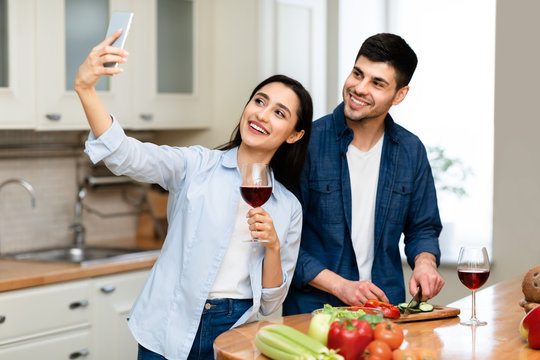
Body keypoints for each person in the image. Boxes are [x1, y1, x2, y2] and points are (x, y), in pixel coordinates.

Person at [74, 29, 312, 360]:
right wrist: (86, 89)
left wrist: (272, 246)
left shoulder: (287, 206)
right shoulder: (196, 165)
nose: (261, 114)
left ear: (294, 135)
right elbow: (125, 155)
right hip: (168, 321)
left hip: (236, 327)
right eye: (259, 101)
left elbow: (271, 301)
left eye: (279, 113)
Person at [282, 33, 445, 315]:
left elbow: (423, 227)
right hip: (311, 313)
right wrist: (340, 286)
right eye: (357, 73)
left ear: (400, 95)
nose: (359, 88)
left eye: (377, 83)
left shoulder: (411, 150)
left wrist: (425, 263)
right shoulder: (305, 143)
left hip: (385, 310)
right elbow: (280, 241)